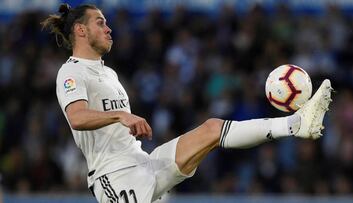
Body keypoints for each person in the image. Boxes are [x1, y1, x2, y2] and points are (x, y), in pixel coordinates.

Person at [42, 3, 333, 203]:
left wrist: (122, 119)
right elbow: (77, 117)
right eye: (100, 22)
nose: (108, 28)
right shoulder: (71, 72)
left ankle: (295, 124)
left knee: (211, 128)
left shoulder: (108, 73)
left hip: (144, 163)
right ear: (80, 30)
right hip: (113, 177)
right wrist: (122, 115)